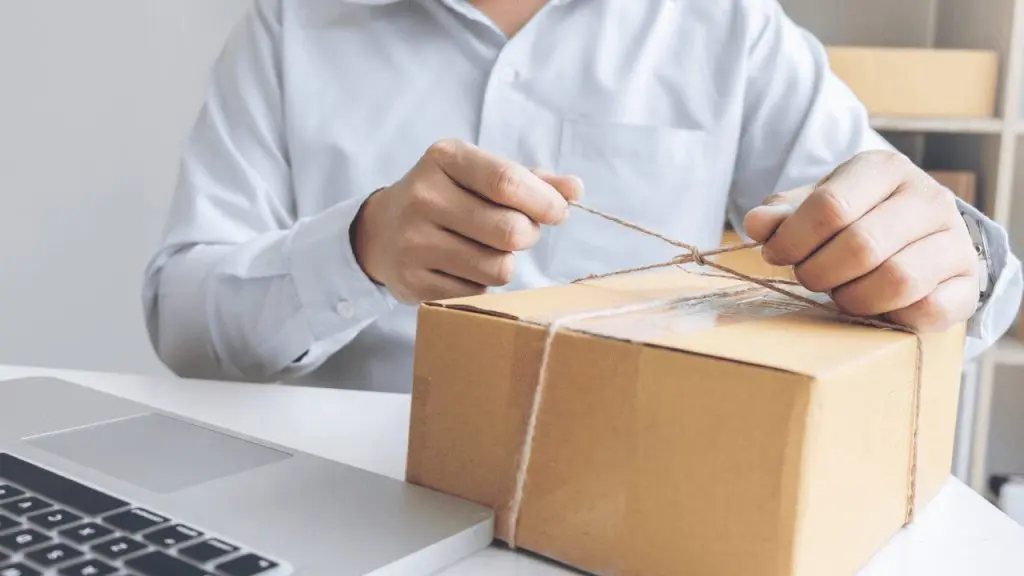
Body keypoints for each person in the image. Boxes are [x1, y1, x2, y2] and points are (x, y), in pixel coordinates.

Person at [142, 0, 1022, 392]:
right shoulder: (294, 25)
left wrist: (953, 262)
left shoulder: (728, 26)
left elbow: (959, 273)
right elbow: (182, 318)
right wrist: (362, 250)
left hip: (639, 497)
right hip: (337, 505)